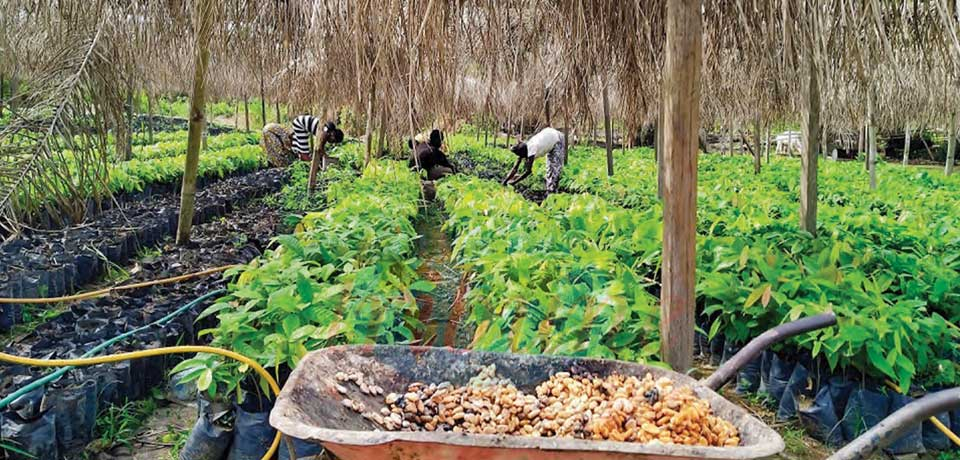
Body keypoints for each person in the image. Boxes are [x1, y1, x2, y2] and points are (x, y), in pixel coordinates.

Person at [260, 115, 344, 168]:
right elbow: (314, 151)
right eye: (333, 141)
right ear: (333, 136)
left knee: (300, 151)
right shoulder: (325, 133)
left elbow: (321, 149)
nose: (331, 143)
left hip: (299, 124)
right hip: (300, 125)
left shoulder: (327, 131)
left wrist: (325, 158)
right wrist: (316, 165)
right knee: (304, 153)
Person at [502, 127, 566, 193]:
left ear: (523, 154)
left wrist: (514, 182)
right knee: (549, 169)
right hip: (549, 137)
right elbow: (515, 168)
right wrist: (505, 181)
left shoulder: (531, 149)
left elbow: (528, 171)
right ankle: (550, 190)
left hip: (557, 139)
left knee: (555, 169)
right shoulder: (523, 148)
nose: (519, 157)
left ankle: (553, 192)